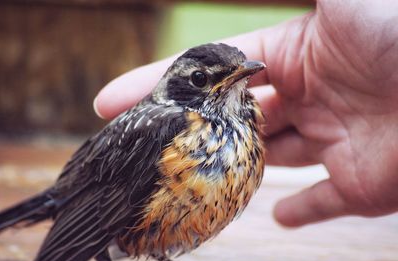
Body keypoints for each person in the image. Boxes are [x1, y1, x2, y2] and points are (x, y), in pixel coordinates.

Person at [93, 0, 398, 227]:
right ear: (179, 88)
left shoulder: (248, 117)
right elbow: (101, 215)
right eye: (201, 79)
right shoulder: (169, 127)